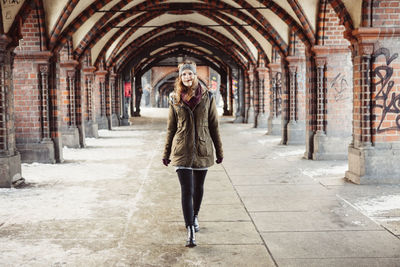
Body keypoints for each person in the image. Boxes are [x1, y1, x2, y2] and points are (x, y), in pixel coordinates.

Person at [162, 61, 223, 248]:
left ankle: (195, 215)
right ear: (180, 78)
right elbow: (171, 128)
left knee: (198, 188)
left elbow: (214, 125)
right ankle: (189, 228)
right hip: (182, 150)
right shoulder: (174, 99)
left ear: (195, 75)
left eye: (190, 74)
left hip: (203, 149)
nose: (187, 77)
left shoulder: (208, 97)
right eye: (184, 74)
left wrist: (219, 151)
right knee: (186, 190)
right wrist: (166, 152)